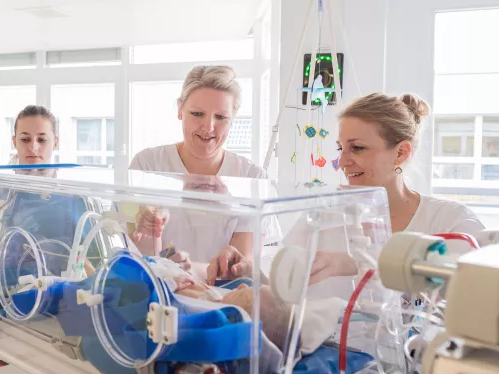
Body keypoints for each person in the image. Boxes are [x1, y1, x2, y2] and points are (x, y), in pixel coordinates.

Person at [288, 93, 486, 285]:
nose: (342, 162)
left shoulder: (450, 221)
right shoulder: (321, 216)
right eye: (341, 148)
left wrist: (357, 262)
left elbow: (475, 289)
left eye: (357, 148)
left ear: (400, 153)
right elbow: (281, 286)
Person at [128, 65, 280, 282]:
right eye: (197, 114)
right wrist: (147, 227)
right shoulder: (147, 165)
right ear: (180, 110)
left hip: (222, 299)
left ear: (233, 118)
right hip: (157, 296)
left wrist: (187, 270)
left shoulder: (252, 177)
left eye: (221, 117)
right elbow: (134, 253)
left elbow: (238, 267)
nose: (208, 127)